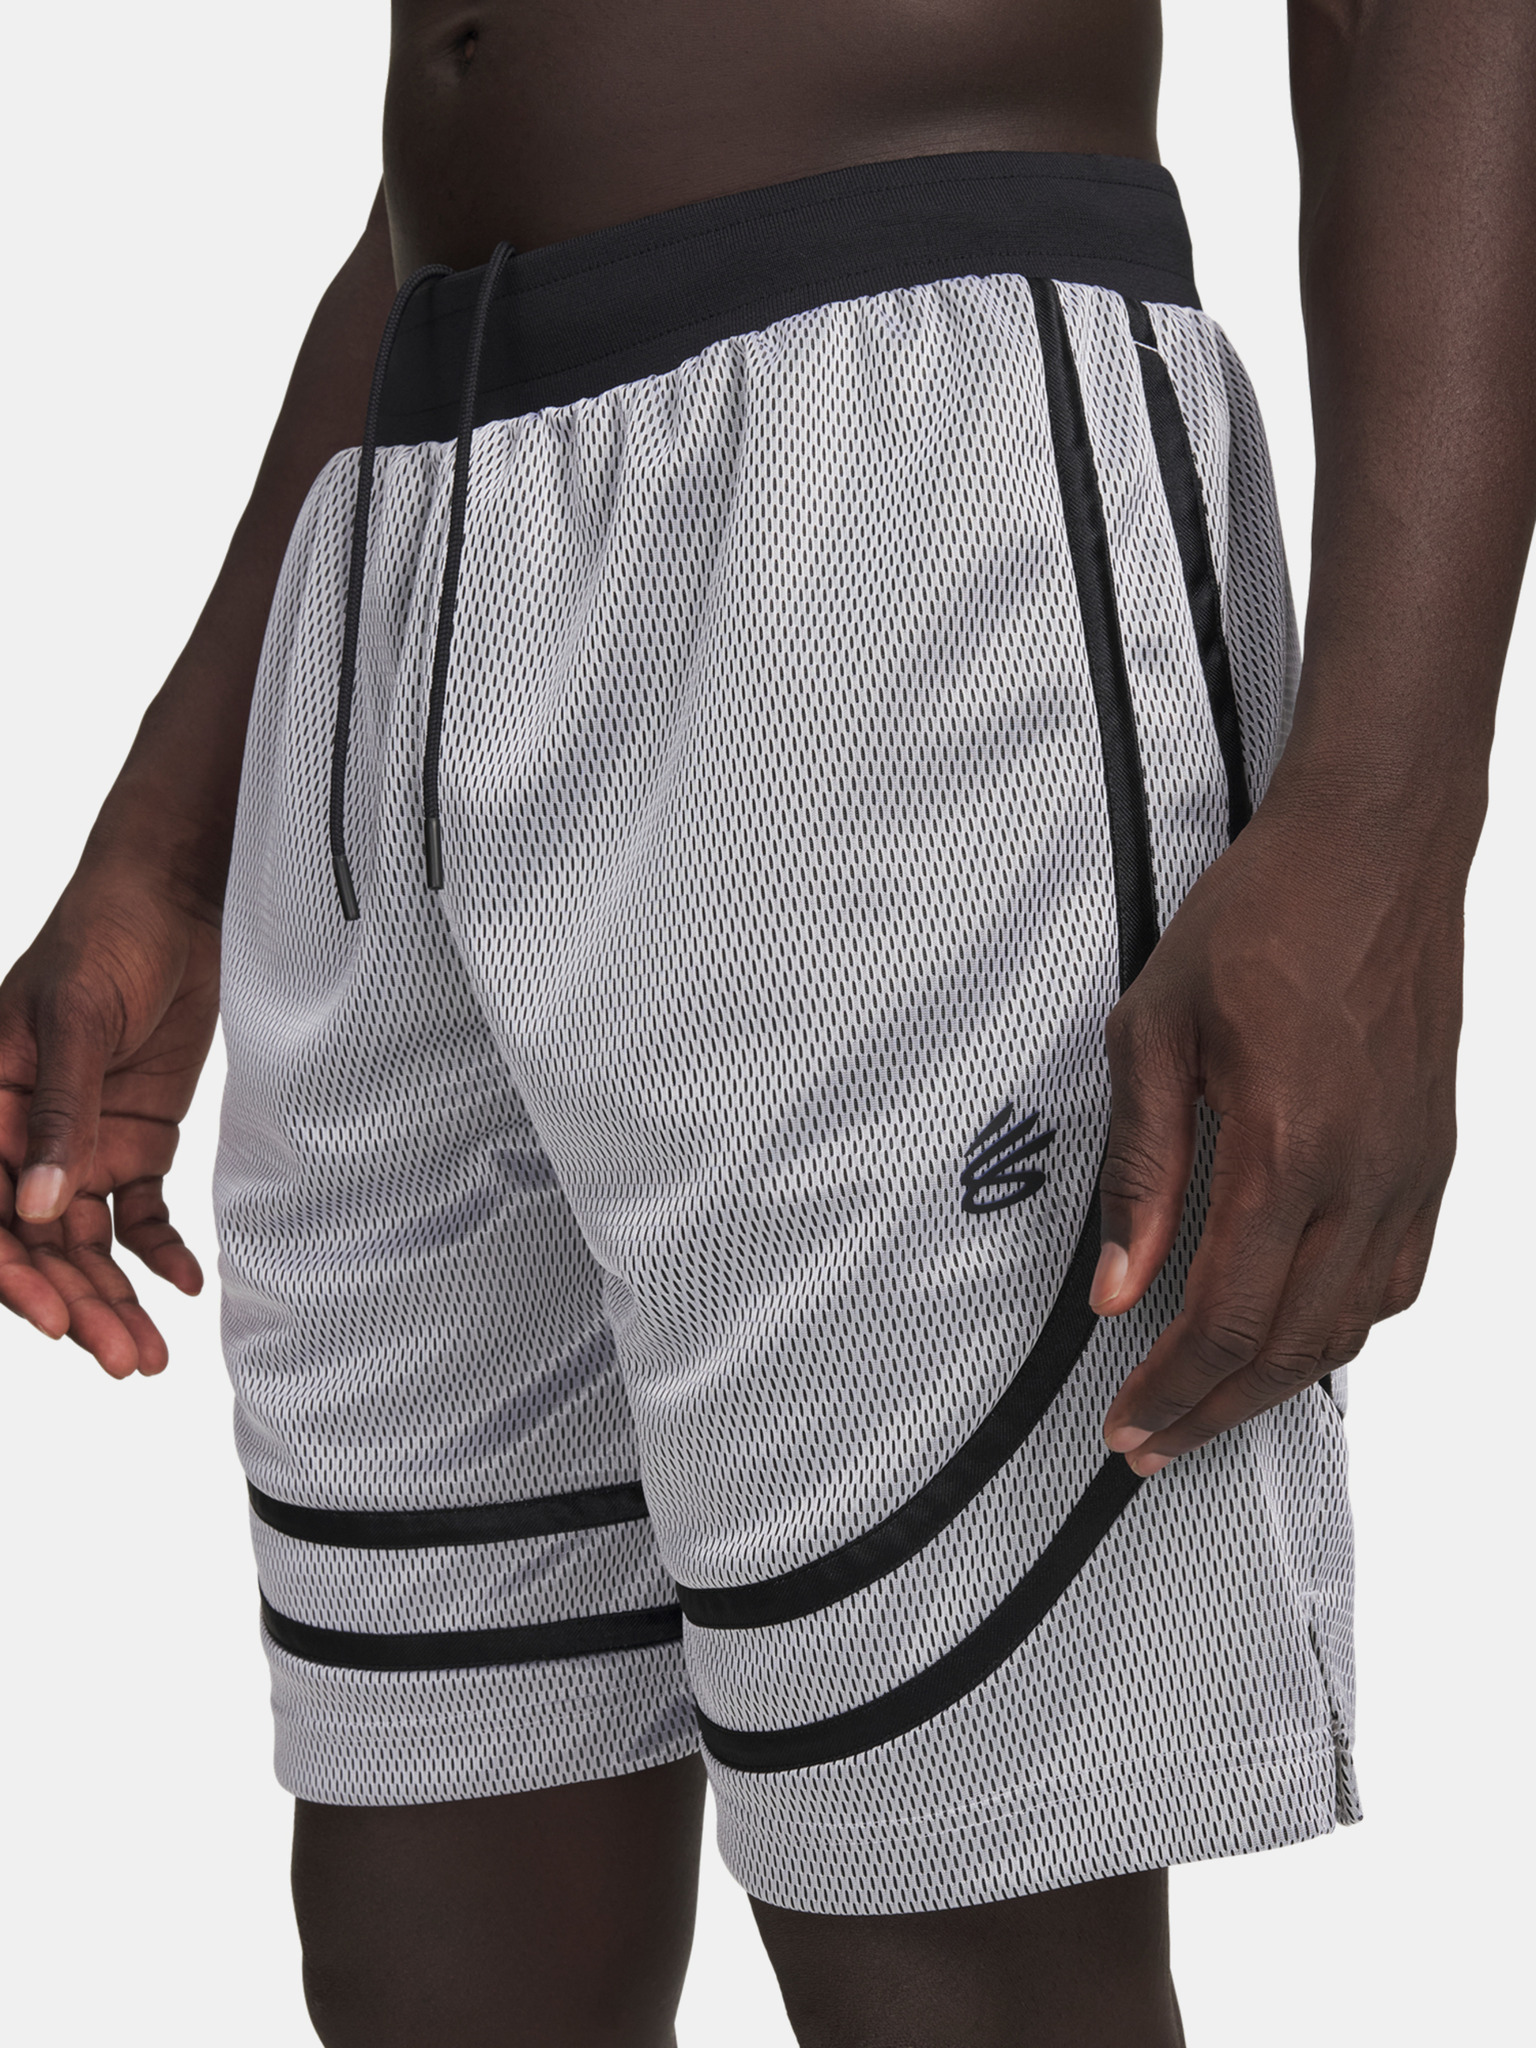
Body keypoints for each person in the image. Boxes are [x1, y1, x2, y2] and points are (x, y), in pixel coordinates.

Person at [2, 2, 1531, 2043]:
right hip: (407, 523)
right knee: (428, 1909)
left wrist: (1386, 822)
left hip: (890, 483)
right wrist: (170, 844)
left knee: (953, 1924)